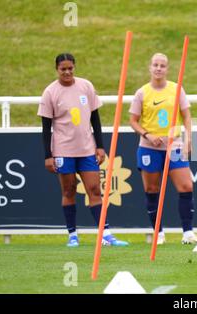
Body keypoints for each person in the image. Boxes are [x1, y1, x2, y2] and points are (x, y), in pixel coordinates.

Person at [38, 53, 128, 247]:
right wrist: (48, 155)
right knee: (69, 190)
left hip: (87, 149)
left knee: (95, 189)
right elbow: (46, 127)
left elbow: (95, 119)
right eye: (63, 69)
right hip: (63, 151)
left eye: (70, 68)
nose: (67, 72)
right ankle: (72, 235)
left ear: (74, 67)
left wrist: (100, 146)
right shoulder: (50, 93)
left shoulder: (86, 86)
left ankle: (106, 234)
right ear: (57, 70)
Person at [129, 53, 197, 245]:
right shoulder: (142, 93)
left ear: (167, 68)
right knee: (152, 189)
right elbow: (133, 121)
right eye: (155, 65)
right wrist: (147, 135)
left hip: (174, 145)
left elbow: (186, 116)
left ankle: (188, 233)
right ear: (150, 67)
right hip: (148, 148)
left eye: (162, 65)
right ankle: (158, 233)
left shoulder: (176, 89)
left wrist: (188, 139)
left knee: (186, 186)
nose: (158, 68)